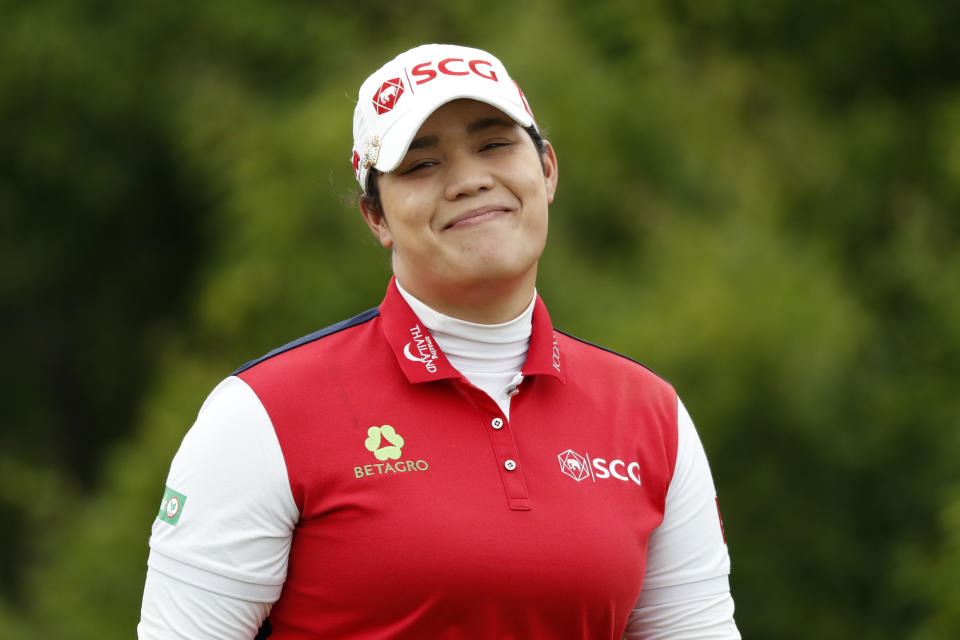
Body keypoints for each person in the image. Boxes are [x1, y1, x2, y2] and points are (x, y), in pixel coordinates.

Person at [139, 43, 741, 639]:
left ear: (548, 170)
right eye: (422, 164)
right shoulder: (261, 413)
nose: (469, 181)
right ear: (376, 217)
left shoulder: (649, 413)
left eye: (494, 144)